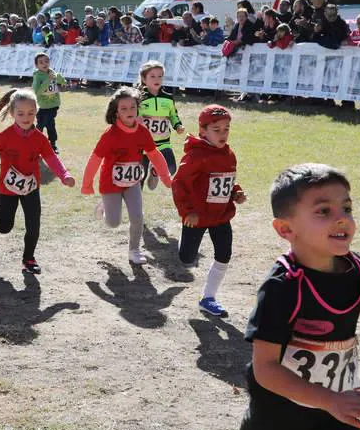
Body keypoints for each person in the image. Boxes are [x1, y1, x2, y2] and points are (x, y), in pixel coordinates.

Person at [175, 163, 360, 430]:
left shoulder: (357, 271)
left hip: (335, 410)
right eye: (323, 210)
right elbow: (266, 369)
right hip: (280, 412)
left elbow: (336, 340)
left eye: (346, 208)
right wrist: (327, 396)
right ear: (286, 229)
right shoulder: (282, 288)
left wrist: (338, 382)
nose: (341, 218)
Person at [0, 88, 75, 274]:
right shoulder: (5, 137)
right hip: (8, 189)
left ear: (36, 112)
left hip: (31, 188)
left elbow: (51, 159)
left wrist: (64, 175)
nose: (26, 117)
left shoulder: (40, 138)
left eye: (31, 113)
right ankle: (0, 199)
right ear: (12, 113)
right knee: (3, 228)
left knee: (34, 225)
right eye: (21, 113)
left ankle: (29, 259)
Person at [81, 87, 172, 265]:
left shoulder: (143, 132)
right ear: (116, 113)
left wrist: (166, 177)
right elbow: (95, 159)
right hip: (111, 183)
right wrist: (87, 183)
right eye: (124, 108)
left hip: (132, 182)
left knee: (138, 216)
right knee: (113, 223)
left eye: (132, 107)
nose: (129, 111)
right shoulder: (110, 135)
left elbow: (154, 155)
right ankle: (105, 205)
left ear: (138, 108)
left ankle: (134, 250)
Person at [171, 105, 246, 317]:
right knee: (187, 258)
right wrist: (188, 212)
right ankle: (184, 245)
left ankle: (208, 297)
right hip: (197, 217)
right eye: (217, 129)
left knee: (224, 255)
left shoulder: (229, 154)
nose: (223, 134)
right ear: (203, 131)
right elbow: (179, 184)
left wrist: (236, 193)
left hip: (221, 216)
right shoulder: (195, 156)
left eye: (226, 129)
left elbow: (227, 180)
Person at [137, 61, 185, 190]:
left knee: (171, 168)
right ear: (143, 79)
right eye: (152, 76)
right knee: (139, 177)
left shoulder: (168, 98)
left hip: (163, 142)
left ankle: (155, 172)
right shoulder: (138, 97)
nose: (157, 79)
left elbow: (173, 115)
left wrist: (178, 126)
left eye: (160, 76)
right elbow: (131, 116)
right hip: (142, 145)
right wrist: (137, 120)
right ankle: (136, 204)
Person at [32, 53, 66, 154]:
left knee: (50, 123)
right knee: (40, 124)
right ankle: (36, 142)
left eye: (46, 61)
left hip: (53, 106)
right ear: (36, 65)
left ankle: (53, 144)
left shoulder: (52, 73)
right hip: (41, 106)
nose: (44, 64)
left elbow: (59, 79)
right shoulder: (38, 76)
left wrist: (63, 81)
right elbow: (37, 92)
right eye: (41, 62)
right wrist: (48, 80)